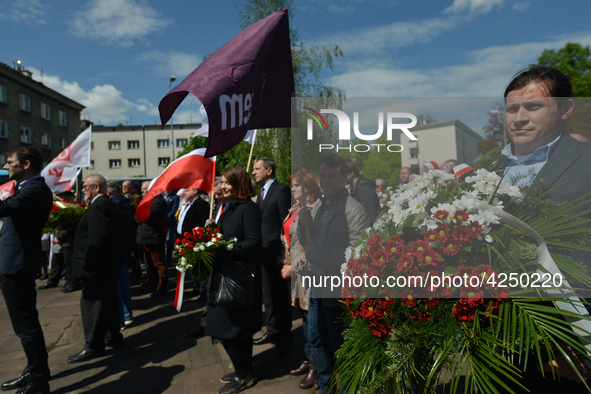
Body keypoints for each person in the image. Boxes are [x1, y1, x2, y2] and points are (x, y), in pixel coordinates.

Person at [493, 66, 591, 391]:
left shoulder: (586, 162)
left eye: (533, 106)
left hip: (573, 344)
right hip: (500, 344)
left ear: (565, 109)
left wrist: (575, 341)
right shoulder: (483, 172)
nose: (518, 118)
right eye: (511, 109)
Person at [298, 154, 370, 394]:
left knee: (338, 343)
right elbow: (305, 241)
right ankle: (327, 386)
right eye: (323, 175)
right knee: (318, 339)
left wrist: (317, 254)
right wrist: (302, 223)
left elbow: (357, 252)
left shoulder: (353, 209)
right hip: (317, 283)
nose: (326, 180)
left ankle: (347, 388)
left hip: (338, 287)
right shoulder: (319, 205)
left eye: (332, 175)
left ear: (345, 176)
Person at [0, 147, 53, 394]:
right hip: (14, 263)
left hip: (19, 265)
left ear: (27, 164)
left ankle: (38, 380)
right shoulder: (26, 188)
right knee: (23, 325)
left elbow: (4, 209)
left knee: (26, 326)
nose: (6, 166)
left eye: (10, 162)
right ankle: (33, 370)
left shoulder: (35, 189)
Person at [205, 166, 262, 394]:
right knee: (225, 329)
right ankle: (242, 369)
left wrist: (223, 250)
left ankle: (245, 374)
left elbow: (253, 242)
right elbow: (225, 237)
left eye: (227, 182)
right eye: (221, 181)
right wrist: (211, 232)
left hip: (238, 280)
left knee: (235, 331)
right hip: (223, 276)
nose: (223, 185)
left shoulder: (248, 208)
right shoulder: (227, 207)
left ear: (240, 184)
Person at [67, 174, 124, 364]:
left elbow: (97, 239)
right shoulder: (103, 203)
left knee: (93, 305)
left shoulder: (99, 205)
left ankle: (93, 345)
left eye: (86, 187)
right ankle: (112, 337)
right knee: (107, 302)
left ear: (96, 187)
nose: (83, 190)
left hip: (98, 268)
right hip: (106, 266)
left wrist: (90, 267)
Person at [280, 169, 322, 390]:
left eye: (297, 185)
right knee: (304, 318)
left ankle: (316, 365)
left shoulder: (314, 211)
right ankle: (308, 358)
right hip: (295, 274)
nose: (293, 188)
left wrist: (292, 269)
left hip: (307, 273)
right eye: (293, 185)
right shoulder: (295, 209)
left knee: (313, 321)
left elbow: (310, 250)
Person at [251, 157, 293, 358]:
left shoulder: (281, 190)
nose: (253, 172)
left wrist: (283, 255)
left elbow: (286, 223)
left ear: (269, 171)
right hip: (263, 252)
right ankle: (272, 330)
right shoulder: (260, 192)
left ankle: (284, 336)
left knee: (279, 297)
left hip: (276, 252)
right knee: (268, 295)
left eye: (257, 169)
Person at [106, 180, 134, 329]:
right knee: (124, 285)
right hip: (124, 246)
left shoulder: (112, 205)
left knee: (116, 287)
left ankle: (121, 319)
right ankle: (127, 315)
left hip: (115, 248)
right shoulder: (126, 203)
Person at [38, 191, 75, 290]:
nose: (59, 200)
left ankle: (70, 282)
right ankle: (52, 281)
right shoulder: (61, 207)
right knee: (56, 262)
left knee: (68, 264)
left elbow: (68, 225)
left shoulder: (71, 207)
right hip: (59, 241)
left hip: (67, 241)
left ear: (68, 197)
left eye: (62, 198)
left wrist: (59, 236)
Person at [136, 181, 168, 297]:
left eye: (145, 189)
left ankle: (162, 286)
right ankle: (153, 284)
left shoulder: (158, 201)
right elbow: (137, 215)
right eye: (142, 189)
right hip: (145, 237)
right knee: (150, 264)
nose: (142, 191)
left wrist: (141, 215)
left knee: (159, 263)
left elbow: (151, 215)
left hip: (154, 237)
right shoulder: (146, 201)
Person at [177, 188, 210, 299]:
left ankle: (203, 291)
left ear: (195, 191)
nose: (184, 193)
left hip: (196, 242)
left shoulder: (201, 204)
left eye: (187, 190)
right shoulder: (189, 204)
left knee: (200, 267)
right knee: (193, 268)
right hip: (188, 241)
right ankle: (196, 288)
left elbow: (203, 223)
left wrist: (198, 239)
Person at [345, 159, 381, 223]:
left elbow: (371, 217)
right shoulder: (355, 189)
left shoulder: (364, 190)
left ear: (352, 173)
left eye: (343, 173)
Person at [122, 180, 143, 278]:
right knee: (128, 251)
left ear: (132, 187)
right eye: (123, 186)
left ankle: (137, 271)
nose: (124, 188)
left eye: (126, 186)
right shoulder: (122, 197)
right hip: (125, 228)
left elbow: (137, 212)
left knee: (134, 251)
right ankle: (133, 269)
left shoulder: (136, 197)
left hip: (133, 228)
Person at [165, 190, 180, 267]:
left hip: (169, 223)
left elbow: (174, 210)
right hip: (161, 223)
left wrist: (165, 218)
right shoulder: (162, 195)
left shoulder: (175, 197)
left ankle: (169, 260)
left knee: (169, 241)